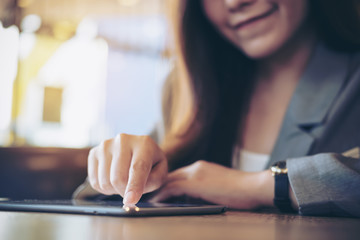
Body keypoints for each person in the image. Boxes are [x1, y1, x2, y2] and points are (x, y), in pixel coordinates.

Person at [74, 0, 360, 217]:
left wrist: (260, 186)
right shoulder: (188, 86)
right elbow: (112, 196)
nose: (234, 2)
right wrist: (121, 170)